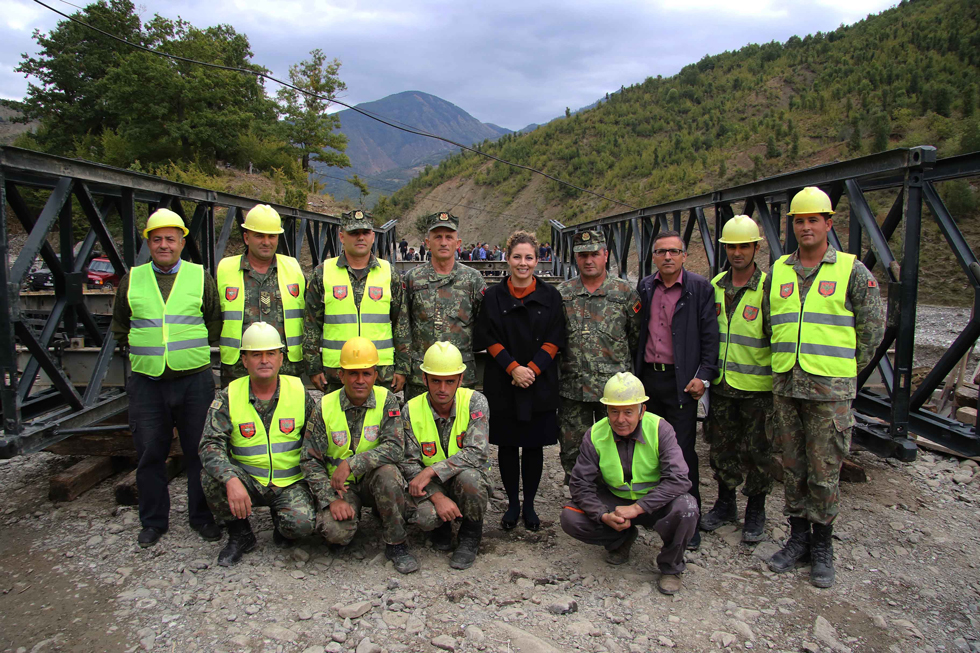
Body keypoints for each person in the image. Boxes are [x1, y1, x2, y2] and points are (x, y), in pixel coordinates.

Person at [763, 187, 884, 587]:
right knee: (793, 467)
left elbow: (871, 332)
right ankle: (798, 538)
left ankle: (822, 546)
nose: (806, 227)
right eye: (799, 221)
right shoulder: (779, 271)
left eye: (813, 220)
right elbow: (769, 323)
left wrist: (842, 372)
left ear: (829, 224)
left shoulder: (852, 271)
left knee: (825, 469)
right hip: (786, 386)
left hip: (829, 392)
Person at [111, 209, 222, 547]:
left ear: (181, 243)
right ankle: (153, 522)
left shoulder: (199, 277)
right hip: (147, 381)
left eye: (170, 239)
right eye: (157, 239)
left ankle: (202, 517)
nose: (164, 245)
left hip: (194, 380)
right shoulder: (132, 279)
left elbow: (214, 320)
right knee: (149, 453)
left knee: (199, 451)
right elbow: (120, 326)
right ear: (148, 242)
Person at [560, 372, 698, 595]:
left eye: (628, 412)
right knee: (571, 517)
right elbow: (580, 484)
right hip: (615, 503)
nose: (620, 419)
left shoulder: (660, 429)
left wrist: (637, 508)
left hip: (655, 502)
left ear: (642, 411)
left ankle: (671, 567)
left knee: (687, 508)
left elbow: (679, 479)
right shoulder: (595, 434)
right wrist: (603, 515)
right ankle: (621, 539)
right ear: (606, 410)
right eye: (614, 411)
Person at [199, 323, 316, 566]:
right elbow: (209, 444)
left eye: (270, 353)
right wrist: (231, 479)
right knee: (211, 477)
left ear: (281, 358)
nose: (264, 360)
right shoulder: (229, 395)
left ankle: (282, 522)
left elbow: (316, 442)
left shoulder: (298, 391)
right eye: (256, 355)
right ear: (244, 360)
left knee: (302, 526)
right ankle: (240, 533)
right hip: (248, 482)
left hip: (289, 482)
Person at [300, 337, 418, 573]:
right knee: (335, 533)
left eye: (366, 373)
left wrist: (352, 464)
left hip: (374, 480)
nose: (360, 380)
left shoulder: (387, 400)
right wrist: (330, 499)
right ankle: (351, 520)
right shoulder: (325, 406)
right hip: (340, 487)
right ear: (341, 375)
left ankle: (396, 542)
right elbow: (309, 460)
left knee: (389, 474)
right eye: (353, 374)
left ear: (376, 375)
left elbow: (395, 447)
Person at [475, 230, 565, 531]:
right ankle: (513, 503)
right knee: (508, 445)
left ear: (537, 260)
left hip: (539, 381)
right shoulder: (493, 296)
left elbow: (555, 337)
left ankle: (530, 505)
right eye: (517, 257)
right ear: (507, 258)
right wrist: (514, 368)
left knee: (534, 445)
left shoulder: (551, 296)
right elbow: (487, 336)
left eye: (528, 257)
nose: (522, 263)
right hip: (504, 380)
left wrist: (532, 371)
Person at [635, 229, 718, 551]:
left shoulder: (699, 288)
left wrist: (704, 376)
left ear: (684, 255)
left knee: (682, 451)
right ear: (654, 257)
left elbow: (710, 336)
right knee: (647, 447)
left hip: (681, 381)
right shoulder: (645, 287)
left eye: (673, 251)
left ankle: (689, 519)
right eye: (661, 252)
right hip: (648, 379)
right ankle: (654, 511)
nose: (667, 257)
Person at [700, 216, 775, 543]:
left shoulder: (768, 287)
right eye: (732, 247)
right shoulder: (715, 286)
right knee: (722, 449)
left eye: (744, 246)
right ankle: (725, 503)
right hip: (722, 386)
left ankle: (756, 509)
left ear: (756, 247)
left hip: (758, 389)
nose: (737, 252)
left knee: (759, 452)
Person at [557, 230, 641, 482]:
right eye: (583, 255)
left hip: (614, 392)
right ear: (576, 258)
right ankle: (579, 499)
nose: (588, 260)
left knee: (618, 450)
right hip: (573, 390)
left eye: (594, 254)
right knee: (573, 451)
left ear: (606, 255)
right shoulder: (563, 294)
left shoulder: (624, 293)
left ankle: (616, 497)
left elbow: (636, 338)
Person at [400, 342, 491, 569]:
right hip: (431, 485)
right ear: (424, 379)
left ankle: (470, 534)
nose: (442, 388)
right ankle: (441, 526)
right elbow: (409, 464)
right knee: (425, 517)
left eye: (449, 381)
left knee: (471, 479)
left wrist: (432, 470)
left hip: (463, 479)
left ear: (460, 379)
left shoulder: (475, 402)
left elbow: (477, 452)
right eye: (435, 381)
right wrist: (437, 497)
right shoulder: (410, 410)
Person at [303, 210, 409, 396]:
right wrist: (313, 367)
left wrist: (402, 368)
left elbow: (401, 324)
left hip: (379, 372)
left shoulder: (389, 273)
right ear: (342, 237)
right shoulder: (322, 273)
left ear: (373, 236)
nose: (360, 237)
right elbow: (311, 324)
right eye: (354, 233)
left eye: (365, 232)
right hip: (337, 372)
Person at [216, 204, 306, 387]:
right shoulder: (226, 269)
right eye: (259, 236)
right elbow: (212, 316)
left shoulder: (293, 268)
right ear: (246, 238)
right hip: (238, 367)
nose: (266, 242)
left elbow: (308, 315)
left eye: (272, 236)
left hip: (285, 366)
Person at [404, 212, 486, 402]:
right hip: (421, 377)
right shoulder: (413, 278)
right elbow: (403, 325)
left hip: (460, 376)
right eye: (437, 237)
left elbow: (483, 323)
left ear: (458, 243)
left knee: (461, 420)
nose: (443, 242)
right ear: (427, 242)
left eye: (449, 237)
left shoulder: (472, 279)